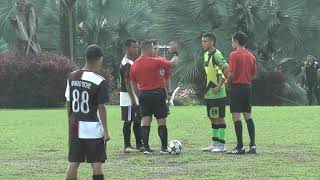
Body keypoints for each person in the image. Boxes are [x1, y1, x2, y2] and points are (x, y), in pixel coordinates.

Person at [65, 44, 110, 180]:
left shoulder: (72, 77)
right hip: (93, 128)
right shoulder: (99, 81)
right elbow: (101, 107)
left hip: (76, 126)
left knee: (73, 162)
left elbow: (68, 103)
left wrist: (70, 122)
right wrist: (106, 131)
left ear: (86, 57)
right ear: (99, 59)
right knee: (96, 162)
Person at [130, 40, 178, 155]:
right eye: (153, 48)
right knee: (161, 120)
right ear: (148, 49)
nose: (154, 50)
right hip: (157, 93)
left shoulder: (135, 64)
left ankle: (146, 148)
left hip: (143, 94)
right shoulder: (156, 61)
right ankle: (164, 148)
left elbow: (133, 83)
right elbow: (173, 64)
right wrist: (176, 53)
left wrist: (139, 95)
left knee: (145, 120)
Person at [227, 31, 257, 155]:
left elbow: (231, 74)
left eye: (232, 41)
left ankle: (240, 146)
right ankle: (253, 145)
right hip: (247, 88)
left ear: (236, 41)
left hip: (236, 88)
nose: (231, 43)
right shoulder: (251, 56)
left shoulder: (234, 55)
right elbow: (254, 75)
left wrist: (227, 84)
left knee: (236, 116)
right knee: (248, 116)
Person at [200, 33, 229, 153]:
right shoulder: (206, 55)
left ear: (212, 42)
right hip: (210, 93)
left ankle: (221, 145)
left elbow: (226, 69)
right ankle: (215, 143)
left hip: (218, 93)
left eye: (205, 41)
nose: (203, 43)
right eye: (202, 41)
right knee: (212, 117)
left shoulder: (217, 54)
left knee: (219, 117)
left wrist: (219, 86)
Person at [119, 39, 143, 153]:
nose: (136, 49)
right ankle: (127, 145)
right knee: (128, 121)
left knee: (137, 119)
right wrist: (133, 99)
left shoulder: (131, 62)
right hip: (127, 96)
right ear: (127, 48)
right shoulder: (127, 63)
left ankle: (139, 144)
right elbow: (127, 83)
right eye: (134, 47)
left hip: (133, 95)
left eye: (137, 47)